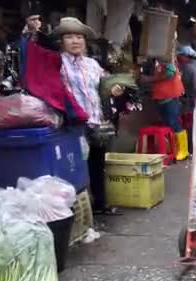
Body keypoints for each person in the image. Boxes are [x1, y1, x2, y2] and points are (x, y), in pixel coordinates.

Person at [55, 17, 123, 215]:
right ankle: (75, 210)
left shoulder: (92, 64)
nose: (75, 41)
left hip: (95, 122)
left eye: (79, 37)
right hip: (73, 125)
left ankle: (100, 204)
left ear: (85, 41)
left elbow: (105, 85)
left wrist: (115, 89)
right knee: (74, 167)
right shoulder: (57, 63)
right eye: (69, 37)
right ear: (62, 41)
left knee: (97, 164)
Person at [141, 50, 188, 161]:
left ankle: (183, 151)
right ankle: (173, 149)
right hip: (161, 98)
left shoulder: (168, 61)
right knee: (167, 124)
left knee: (173, 123)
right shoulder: (158, 63)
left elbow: (169, 74)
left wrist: (149, 79)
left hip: (170, 98)